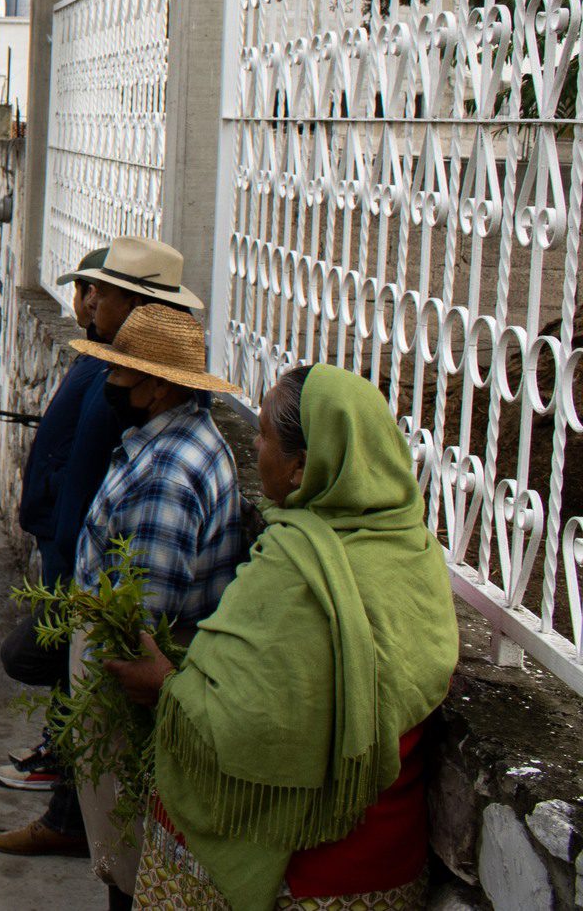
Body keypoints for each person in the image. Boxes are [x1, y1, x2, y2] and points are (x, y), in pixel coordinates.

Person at [107, 365, 458, 911]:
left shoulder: (293, 569)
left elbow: (240, 725)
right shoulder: (416, 556)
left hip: (305, 874)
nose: (252, 442)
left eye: (264, 434)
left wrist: (166, 688)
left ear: (300, 468)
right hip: (389, 865)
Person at [0, 237, 199, 857]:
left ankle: (70, 808)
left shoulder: (163, 425)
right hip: (71, 548)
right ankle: (68, 797)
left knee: (52, 665)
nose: (85, 300)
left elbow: (145, 600)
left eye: (100, 290)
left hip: (97, 577)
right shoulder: (107, 361)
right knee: (68, 677)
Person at [59, 303, 250, 899]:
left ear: (159, 387)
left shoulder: (167, 472)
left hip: (132, 694)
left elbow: (139, 624)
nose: (110, 385)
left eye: (121, 374)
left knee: (131, 859)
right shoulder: (175, 440)